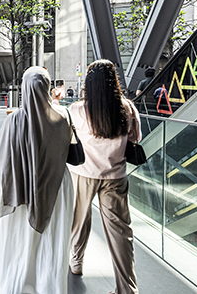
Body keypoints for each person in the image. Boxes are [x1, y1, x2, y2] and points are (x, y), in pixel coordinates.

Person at [0, 66, 74, 294]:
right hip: (56, 186)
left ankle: (18, 283)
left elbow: (4, 162)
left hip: (22, 186)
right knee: (52, 240)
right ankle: (49, 286)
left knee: (19, 239)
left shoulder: (15, 120)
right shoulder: (62, 117)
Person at [67, 59, 140, 294]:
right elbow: (134, 139)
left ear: (89, 83)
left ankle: (76, 263)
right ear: (114, 81)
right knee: (120, 232)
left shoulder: (77, 110)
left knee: (78, 222)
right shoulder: (127, 108)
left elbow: (69, 139)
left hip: (83, 173)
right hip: (116, 176)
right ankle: (127, 289)